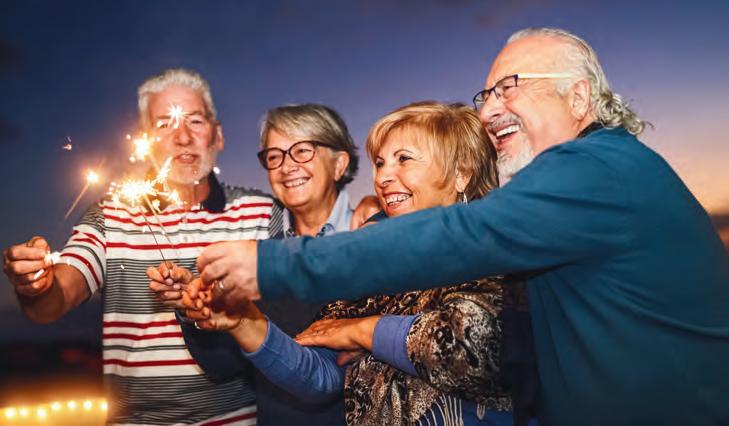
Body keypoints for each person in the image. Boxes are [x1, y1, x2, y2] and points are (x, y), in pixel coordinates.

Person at [193, 28, 729, 426]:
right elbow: (321, 371)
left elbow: (468, 265)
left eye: (509, 88)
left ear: (579, 97)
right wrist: (245, 322)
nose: (490, 110)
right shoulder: (591, 181)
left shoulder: (594, 170)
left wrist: (272, 265)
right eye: (486, 94)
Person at [186, 102, 518, 425]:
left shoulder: (496, 247)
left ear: (461, 175)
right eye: (380, 163)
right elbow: (321, 377)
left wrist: (363, 330)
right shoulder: (371, 264)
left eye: (403, 159)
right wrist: (244, 321)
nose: (383, 176)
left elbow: (473, 349)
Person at [2, 68, 282, 425]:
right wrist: (35, 283)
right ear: (146, 140)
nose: (182, 136)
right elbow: (51, 303)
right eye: (165, 124)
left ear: (218, 136)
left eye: (195, 121)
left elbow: (289, 320)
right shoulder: (109, 215)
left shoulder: (261, 212)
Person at [151, 103, 358, 425]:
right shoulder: (261, 257)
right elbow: (224, 366)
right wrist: (194, 308)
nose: (286, 167)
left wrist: (244, 322)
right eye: (275, 156)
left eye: (302, 151)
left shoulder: (371, 241)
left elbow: (329, 379)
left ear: (339, 163)